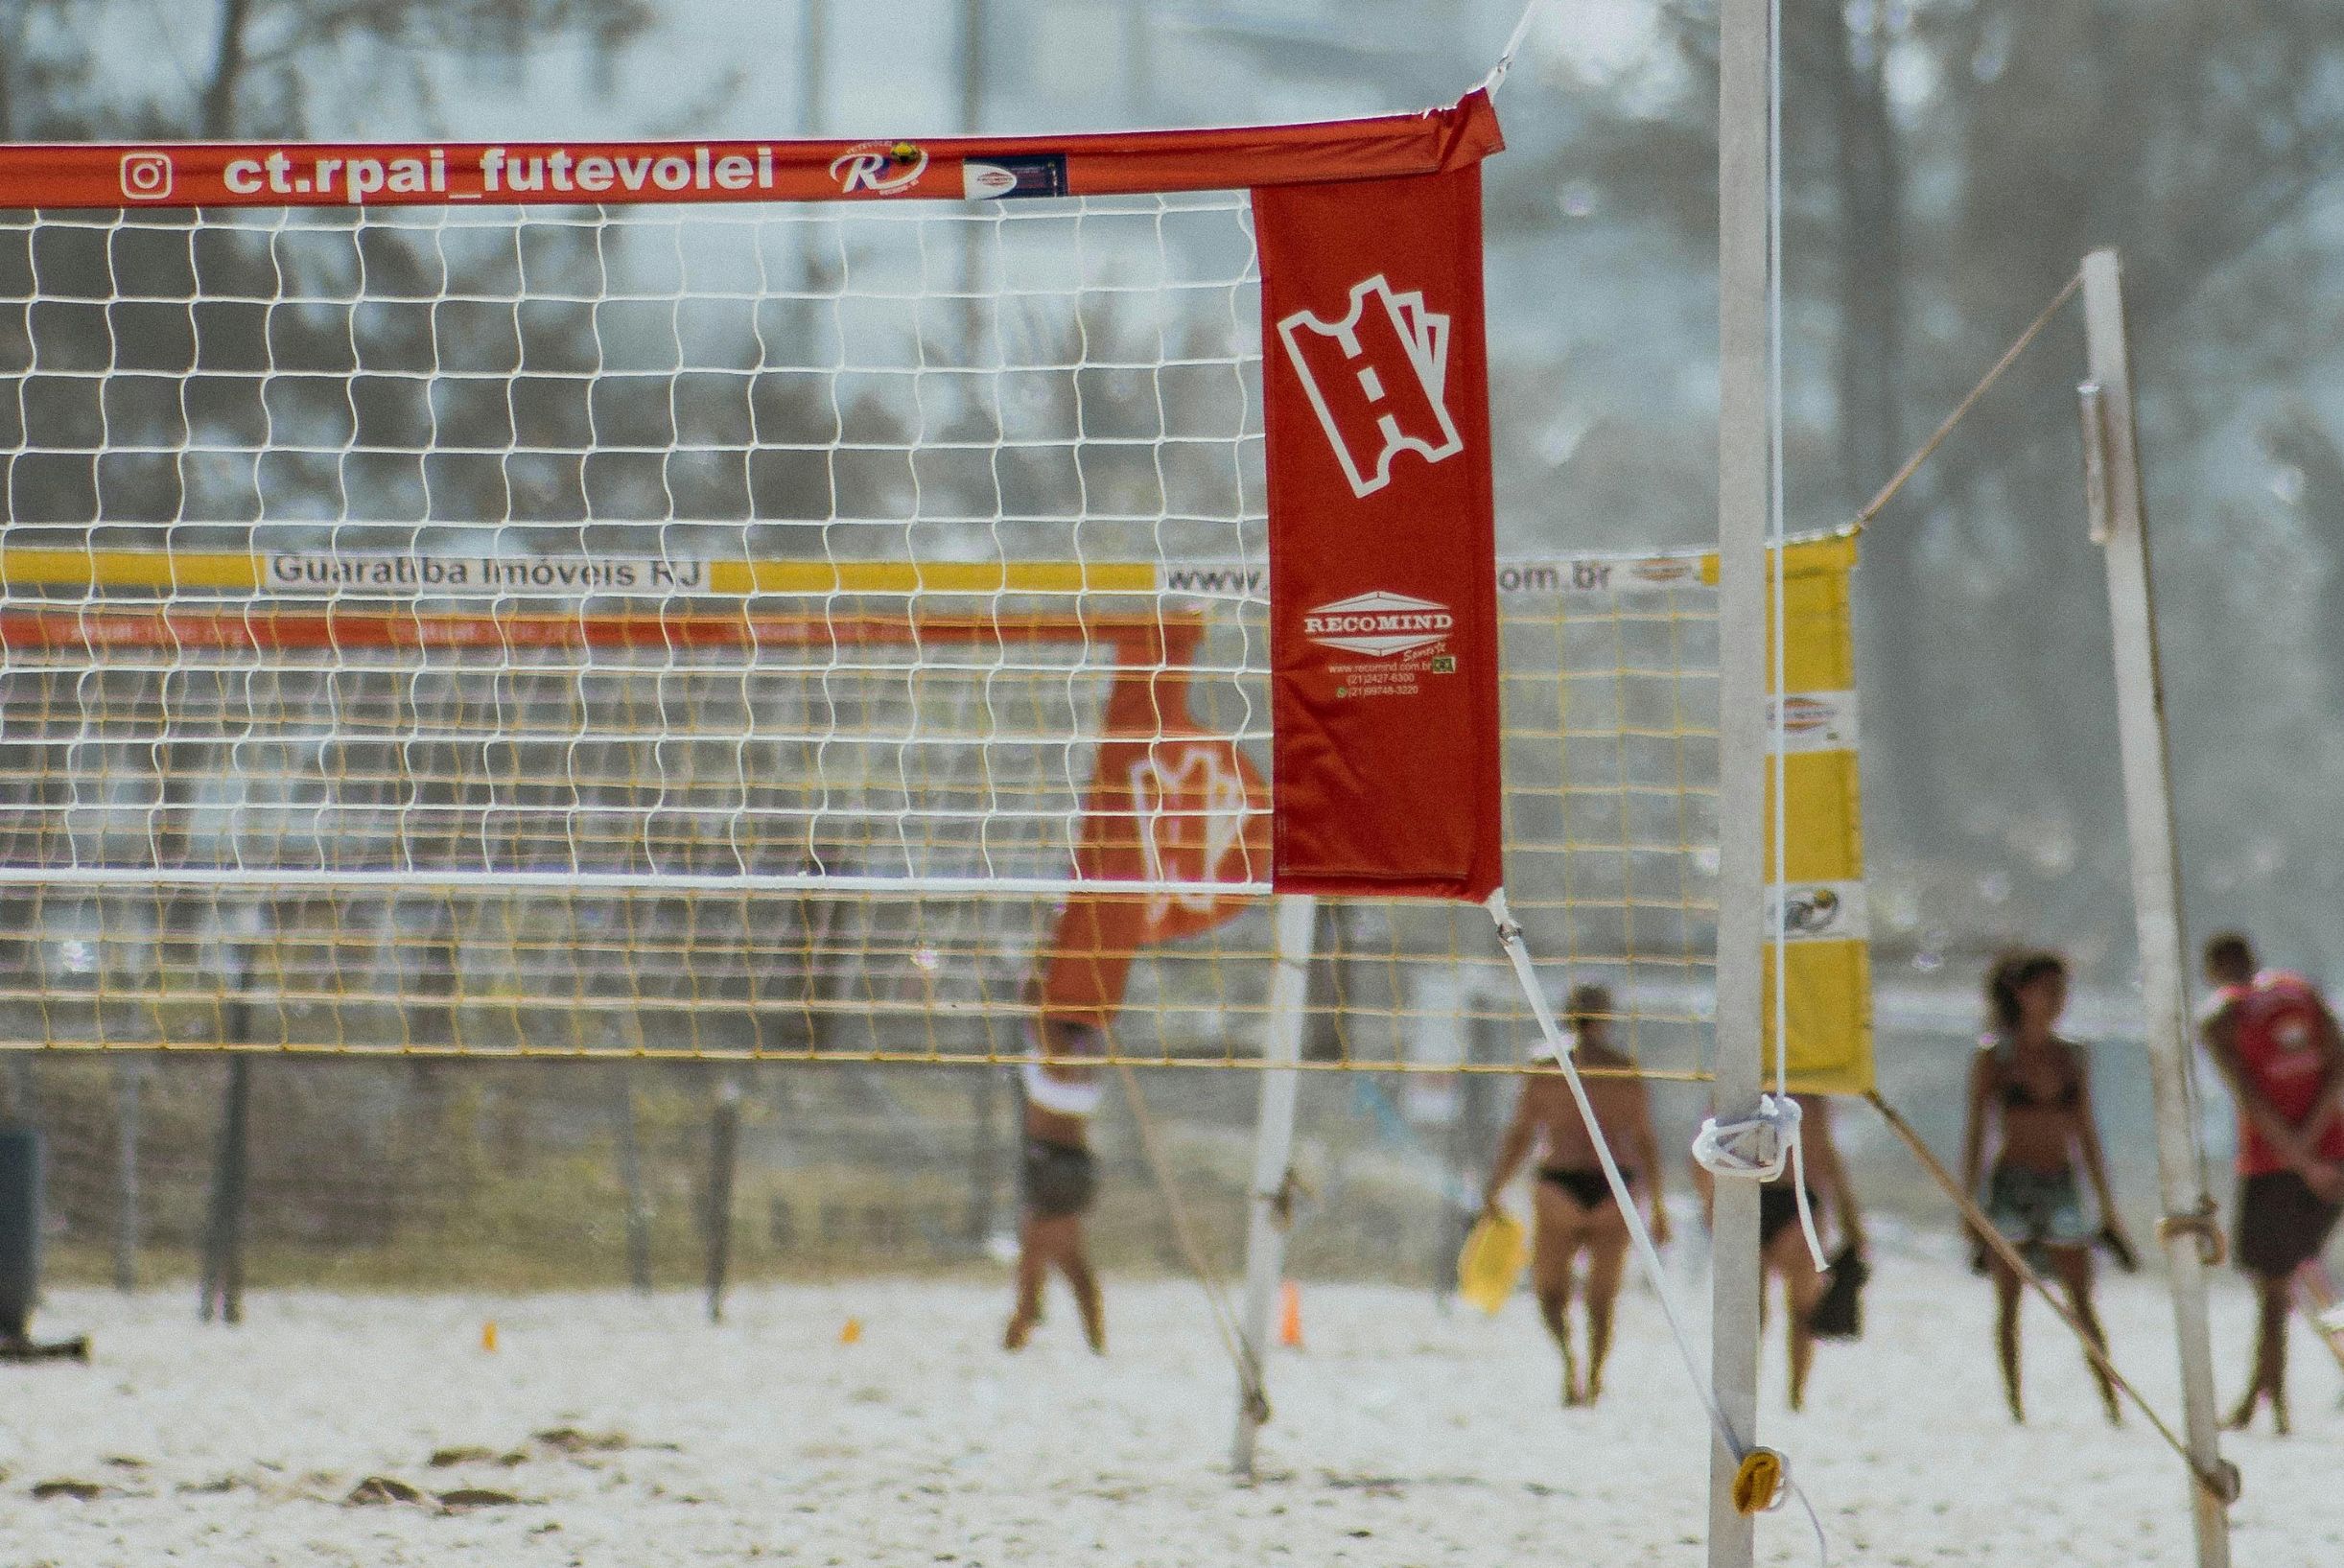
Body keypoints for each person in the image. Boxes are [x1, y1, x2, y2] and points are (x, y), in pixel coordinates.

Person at [1961, 948, 2129, 1424]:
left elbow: (2086, 1132)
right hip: (2010, 1183)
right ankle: (2015, 1406)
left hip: (2061, 1183)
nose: (2058, 1000)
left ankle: (2111, 1403)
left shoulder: (2072, 1054)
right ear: (2021, 993)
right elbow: (1977, 1132)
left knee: (2082, 1300)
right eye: (2048, 990)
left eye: (2062, 991)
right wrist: (1968, 1203)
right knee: (2009, 1302)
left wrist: (2107, 1205)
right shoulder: (1995, 1056)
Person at [1481, 984, 1668, 1406]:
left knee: (1550, 1291)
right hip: (1613, 1181)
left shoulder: (1546, 1065)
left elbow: (1520, 1136)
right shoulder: (1624, 1069)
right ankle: (1595, 1375)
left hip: (1559, 1180)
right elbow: (1644, 1141)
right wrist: (1658, 1205)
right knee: (1603, 1296)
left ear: (1565, 1015)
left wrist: (1494, 1187)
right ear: (1607, 1018)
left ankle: (1570, 1364)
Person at [2198, 931, 2344, 1435]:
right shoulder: (2303, 993)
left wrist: (2301, 1160)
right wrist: (2317, 1150)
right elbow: (2338, 1072)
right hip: (2332, 1153)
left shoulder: (2221, 1015)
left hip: (2276, 1165)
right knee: (2288, 1282)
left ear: (2213, 969)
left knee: (2276, 1286)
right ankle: (2262, 1400)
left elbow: (2250, 1101)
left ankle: (2269, 1404)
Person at [1687, 1091, 1866, 1411]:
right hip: (1788, 1199)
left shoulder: (1738, 1090)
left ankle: (1769, 1396)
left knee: (1763, 1312)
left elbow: (1707, 1151)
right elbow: (1827, 1160)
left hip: (1757, 1195)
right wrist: (1851, 1223)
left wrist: (1709, 1203)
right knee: (1792, 1311)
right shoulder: (1807, 1097)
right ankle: (1793, 1397)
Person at [1004, 982, 1108, 1354]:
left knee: (1036, 1258)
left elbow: (1030, 996)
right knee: (1066, 1258)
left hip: (1054, 1166)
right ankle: (1095, 1341)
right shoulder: (1089, 1048)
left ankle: (1018, 1335)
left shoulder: (1058, 1051)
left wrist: (1048, 951)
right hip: (1073, 1165)